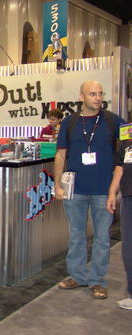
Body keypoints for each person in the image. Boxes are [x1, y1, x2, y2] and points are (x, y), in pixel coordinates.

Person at [54, 80, 124, 299]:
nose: (98, 98)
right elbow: (60, 155)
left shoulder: (114, 121)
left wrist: (114, 190)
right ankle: (78, 275)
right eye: (93, 94)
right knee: (76, 236)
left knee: (102, 237)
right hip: (75, 189)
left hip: (103, 190)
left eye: (100, 94)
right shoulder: (69, 122)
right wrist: (57, 183)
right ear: (81, 96)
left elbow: (126, 153)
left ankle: (97, 280)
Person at [106, 136, 132, 310]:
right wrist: (112, 192)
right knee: (129, 248)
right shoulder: (127, 138)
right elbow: (120, 167)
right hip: (129, 196)